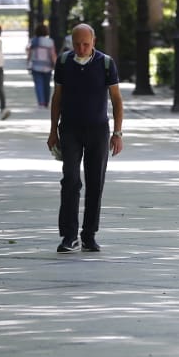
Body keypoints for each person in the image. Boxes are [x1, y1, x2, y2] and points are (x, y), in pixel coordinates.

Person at [47, 23, 123, 253]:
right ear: (72, 42)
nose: (81, 48)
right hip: (69, 129)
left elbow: (117, 100)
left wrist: (117, 133)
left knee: (95, 183)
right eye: (77, 44)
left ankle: (89, 235)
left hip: (98, 131)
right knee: (70, 180)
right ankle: (69, 236)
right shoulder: (63, 63)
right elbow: (57, 98)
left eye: (86, 44)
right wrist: (53, 131)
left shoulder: (106, 63)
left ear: (94, 42)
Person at [26, 20, 57, 108]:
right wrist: (55, 64)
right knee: (47, 85)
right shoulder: (50, 41)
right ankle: (46, 102)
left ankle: (41, 102)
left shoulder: (33, 41)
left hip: (36, 66)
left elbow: (29, 53)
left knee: (38, 84)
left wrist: (28, 62)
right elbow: (53, 54)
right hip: (47, 66)